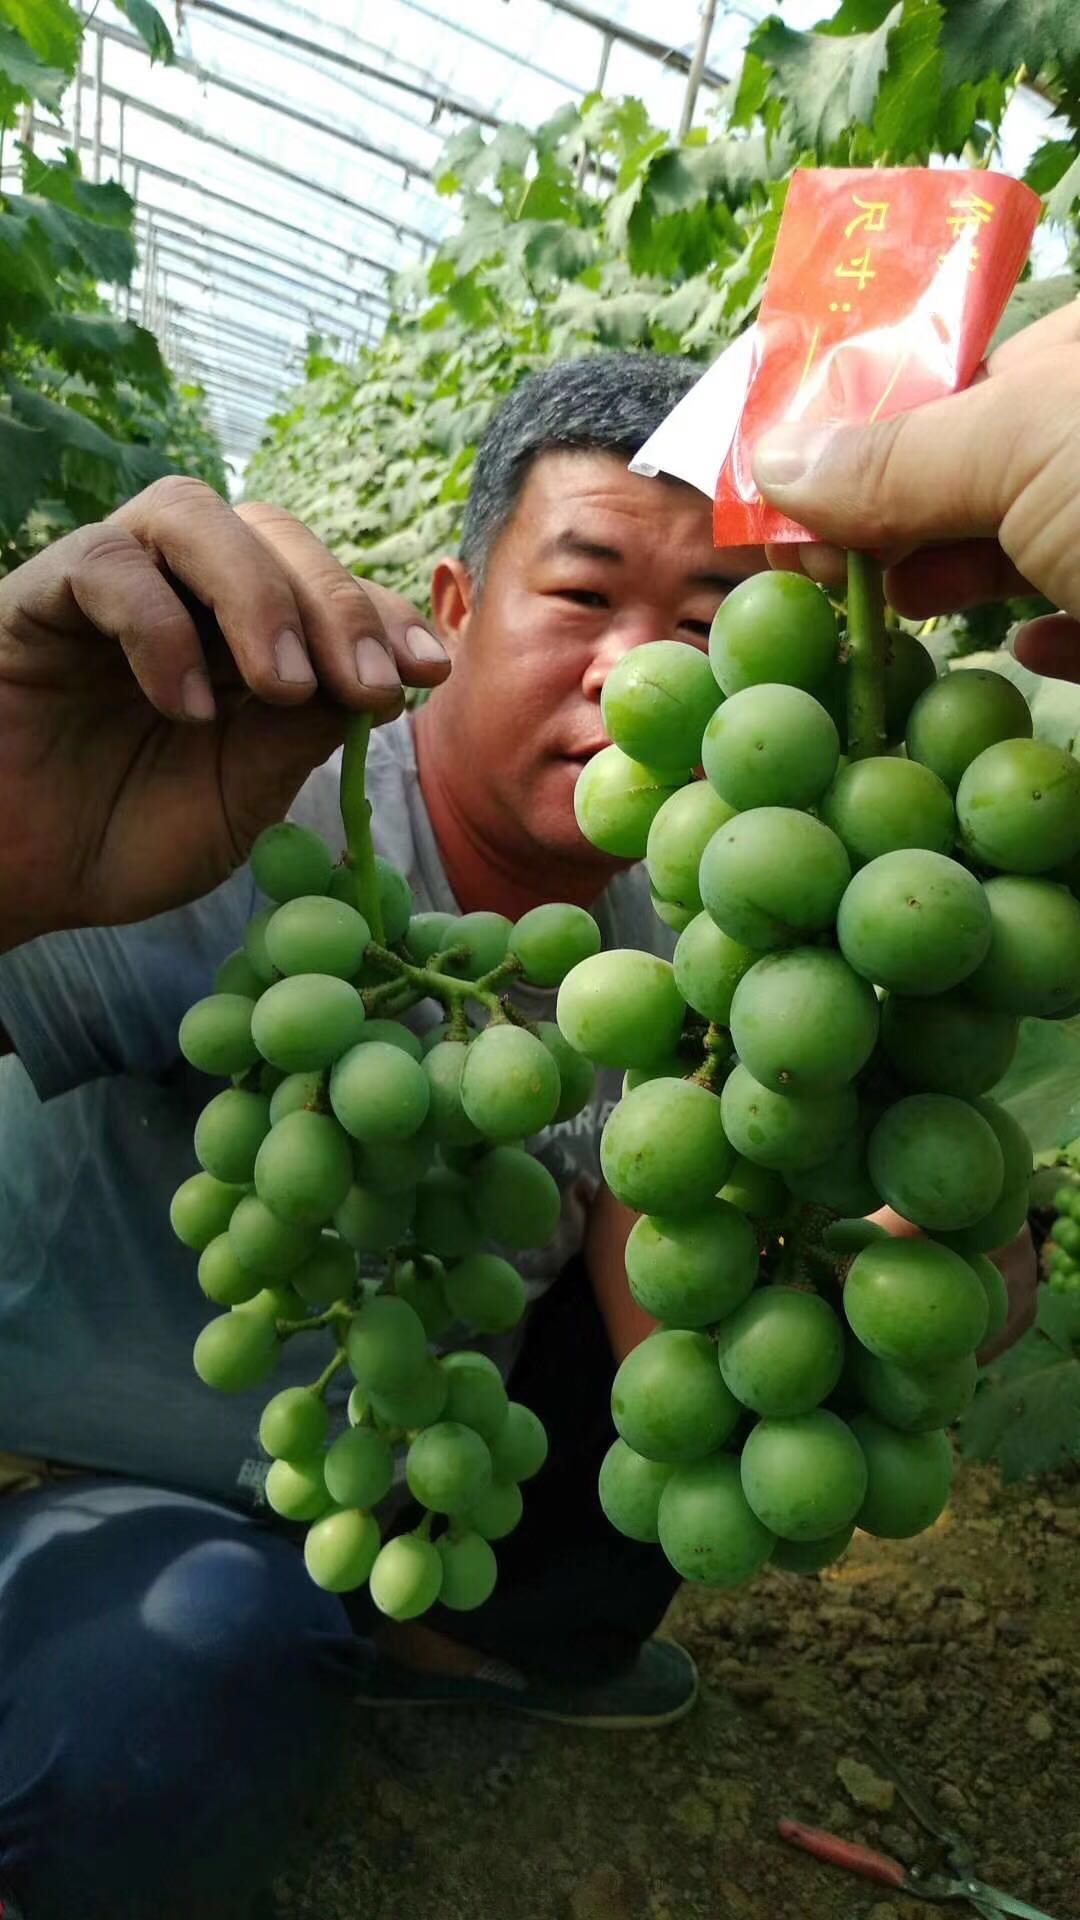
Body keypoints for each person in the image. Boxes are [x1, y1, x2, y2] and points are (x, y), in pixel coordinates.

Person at [0, 303, 1068, 1918]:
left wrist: (888, 1287)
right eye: (582, 592)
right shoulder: (237, 818)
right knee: (169, 1693)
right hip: (79, 1460)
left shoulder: (713, 937)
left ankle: (411, 1635)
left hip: (384, 1462)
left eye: (715, 619)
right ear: (454, 600)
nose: (641, 664)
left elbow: (673, 1316)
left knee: (613, 1527)